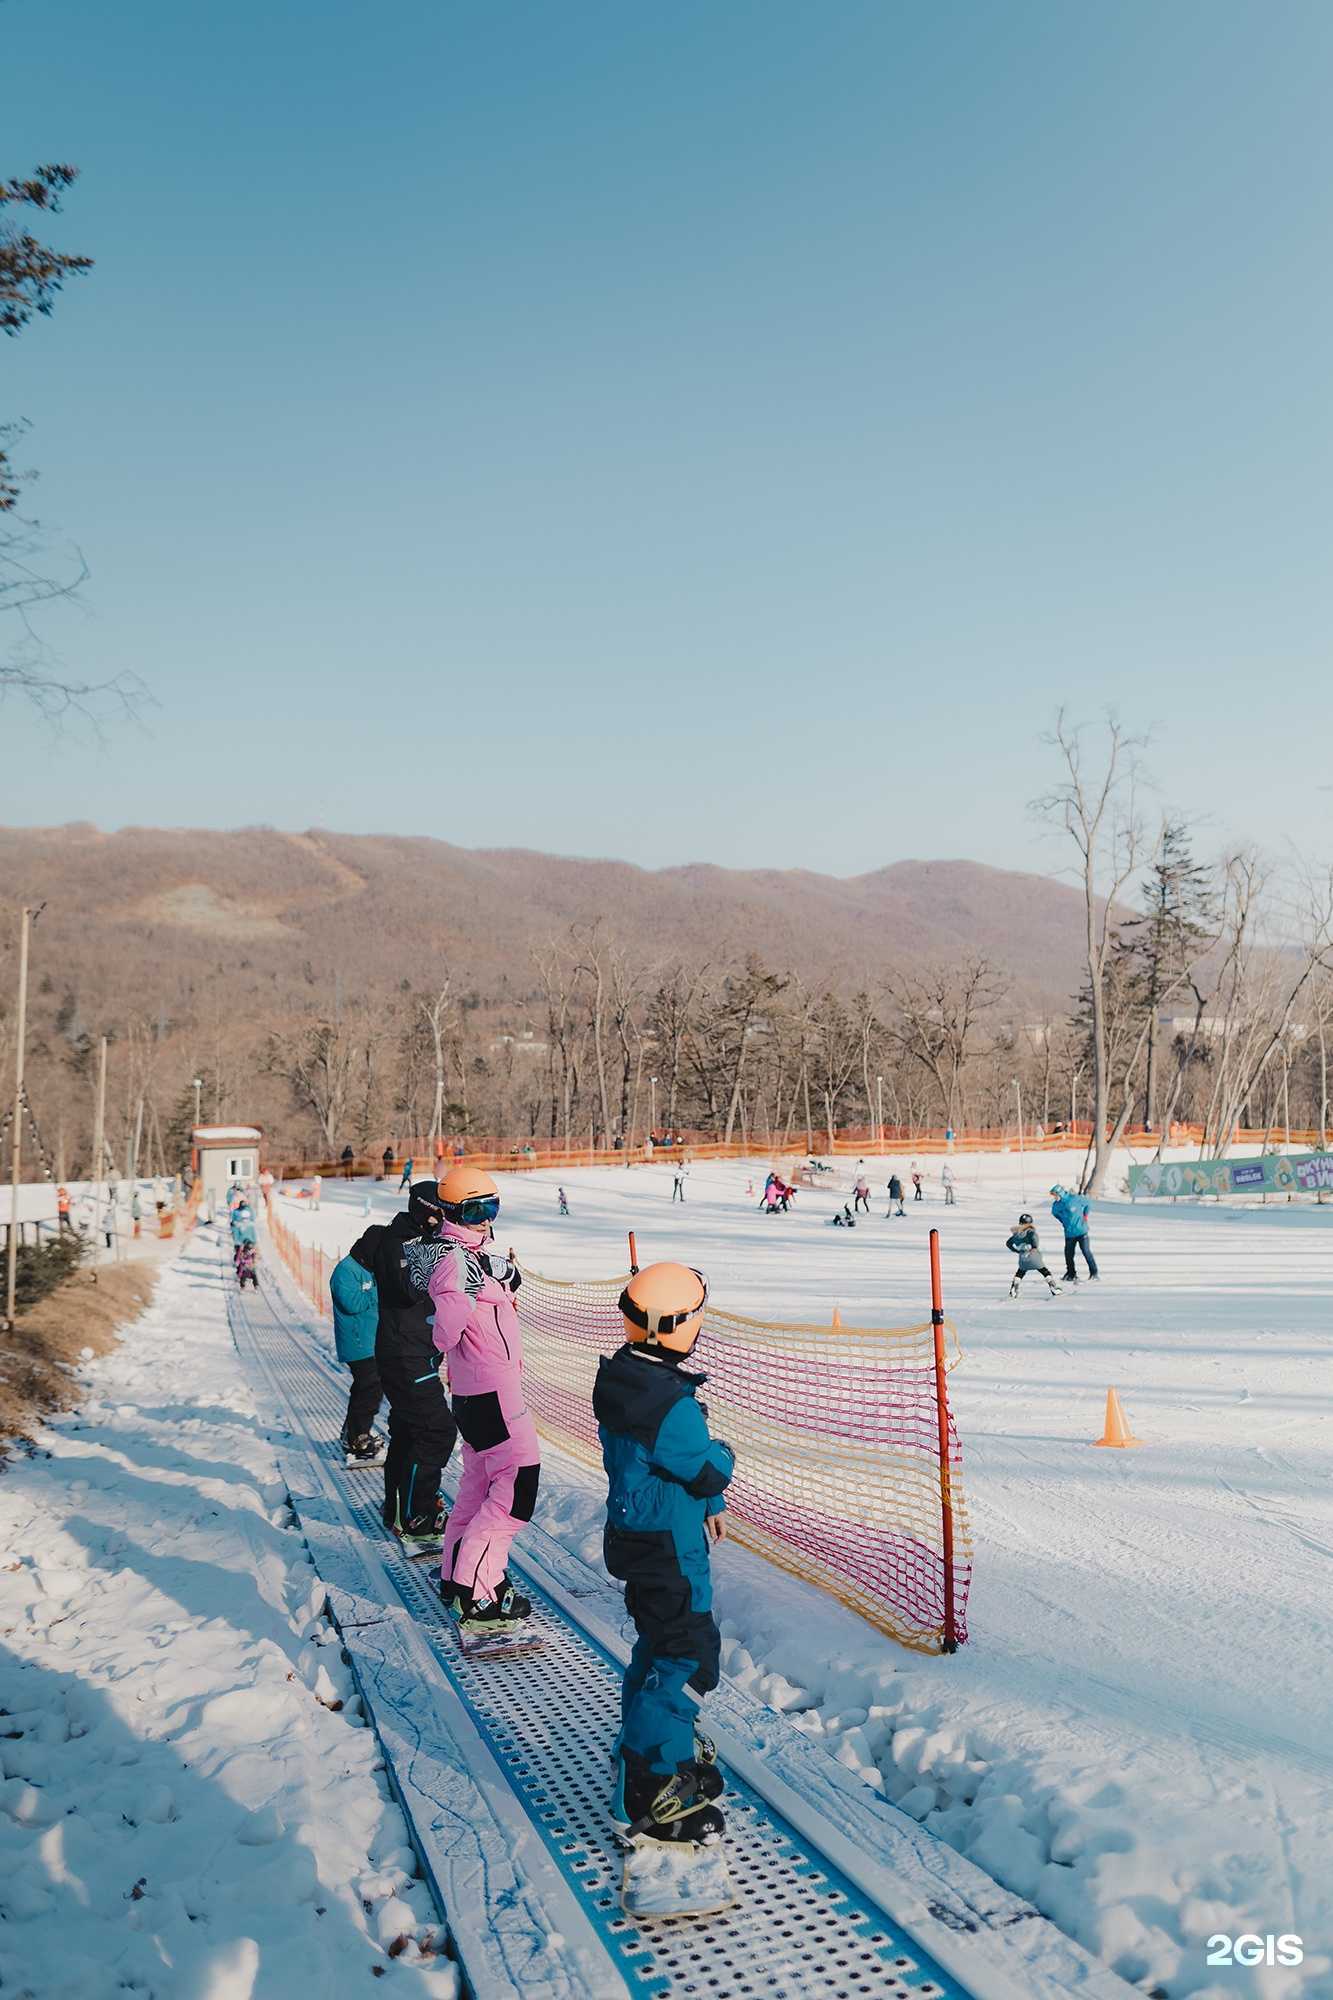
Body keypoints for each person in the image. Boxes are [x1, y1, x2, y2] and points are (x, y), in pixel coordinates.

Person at [594, 1262, 731, 1848]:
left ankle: (647, 1742)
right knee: (690, 1659)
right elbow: (705, 1467)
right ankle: (650, 1787)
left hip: (636, 1536)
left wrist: (707, 1497)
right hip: (671, 1550)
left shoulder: (625, 1377)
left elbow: (668, 1464)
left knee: (656, 1643)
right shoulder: (671, 1406)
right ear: (678, 1326)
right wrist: (723, 1452)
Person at [423, 1168, 538, 1633]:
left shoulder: (468, 1256)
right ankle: (478, 1592)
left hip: (477, 1392)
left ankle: (456, 1576)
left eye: (492, 1207)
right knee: (517, 1485)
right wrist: (442, 1337)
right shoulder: (457, 1261)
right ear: (452, 1213)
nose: (485, 1219)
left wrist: (501, 1278)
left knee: (478, 1485)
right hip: (491, 1391)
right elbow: (448, 1323)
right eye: (475, 1211)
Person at [358, 1180, 458, 1553]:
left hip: (418, 1349)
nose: (443, 1221)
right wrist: (439, 1253)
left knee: (407, 1430)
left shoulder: (420, 1237)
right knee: (436, 1430)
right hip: (404, 1353)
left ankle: (398, 1508)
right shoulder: (397, 1241)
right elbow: (407, 1289)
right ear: (423, 1210)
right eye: (439, 1214)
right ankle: (418, 1514)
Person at [329, 1234, 386, 1466]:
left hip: (371, 1341)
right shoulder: (345, 1271)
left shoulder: (368, 1268)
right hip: (357, 1342)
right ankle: (358, 1436)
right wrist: (378, 1289)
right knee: (369, 1388)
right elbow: (351, 1303)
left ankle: (353, 1431)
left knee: (368, 1388)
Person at [1050, 1185, 1099, 1282]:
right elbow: (1055, 1213)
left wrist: (1085, 1216)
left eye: (1055, 1195)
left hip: (1081, 1231)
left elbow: (1088, 1204)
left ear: (1060, 1193)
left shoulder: (1074, 1198)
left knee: (1086, 1251)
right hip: (1069, 1234)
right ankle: (1071, 1274)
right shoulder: (1056, 1205)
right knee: (1068, 1255)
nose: (1054, 1197)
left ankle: (1094, 1273)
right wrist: (1064, 1221)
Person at [1007, 1214, 1061, 1298]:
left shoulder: (1016, 1234)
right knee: (1044, 1271)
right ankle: (1053, 1287)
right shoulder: (1030, 1232)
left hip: (1023, 1258)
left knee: (1020, 1273)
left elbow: (1008, 1243)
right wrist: (1034, 1247)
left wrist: (1017, 1250)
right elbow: (1034, 1238)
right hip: (1034, 1256)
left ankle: (1014, 1288)